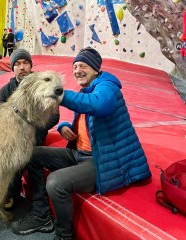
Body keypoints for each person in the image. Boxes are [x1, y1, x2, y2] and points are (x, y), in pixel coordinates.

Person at [11, 47, 152, 240]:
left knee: (56, 182)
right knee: (31, 153)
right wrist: (65, 127)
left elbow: (99, 105)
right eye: (75, 66)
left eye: (83, 66)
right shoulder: (88, 89)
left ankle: (64, 235)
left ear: (95, 69)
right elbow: (87, 119)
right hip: (80, 153)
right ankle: (42, 214)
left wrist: (59, 93)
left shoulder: (108, 86)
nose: (77, 70)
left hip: (102, 160)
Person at [0, 49, 60, 209]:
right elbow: (1, 115)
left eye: (25, 63)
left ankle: (9, 192)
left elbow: (54, 116)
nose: (22, 67)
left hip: (34, 134)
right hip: (9, 133)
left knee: (12, 159)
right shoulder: (6, 89)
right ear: (12, 68)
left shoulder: (44, 84)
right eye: (17, 64)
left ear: (31, 66)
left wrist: (32, 124)